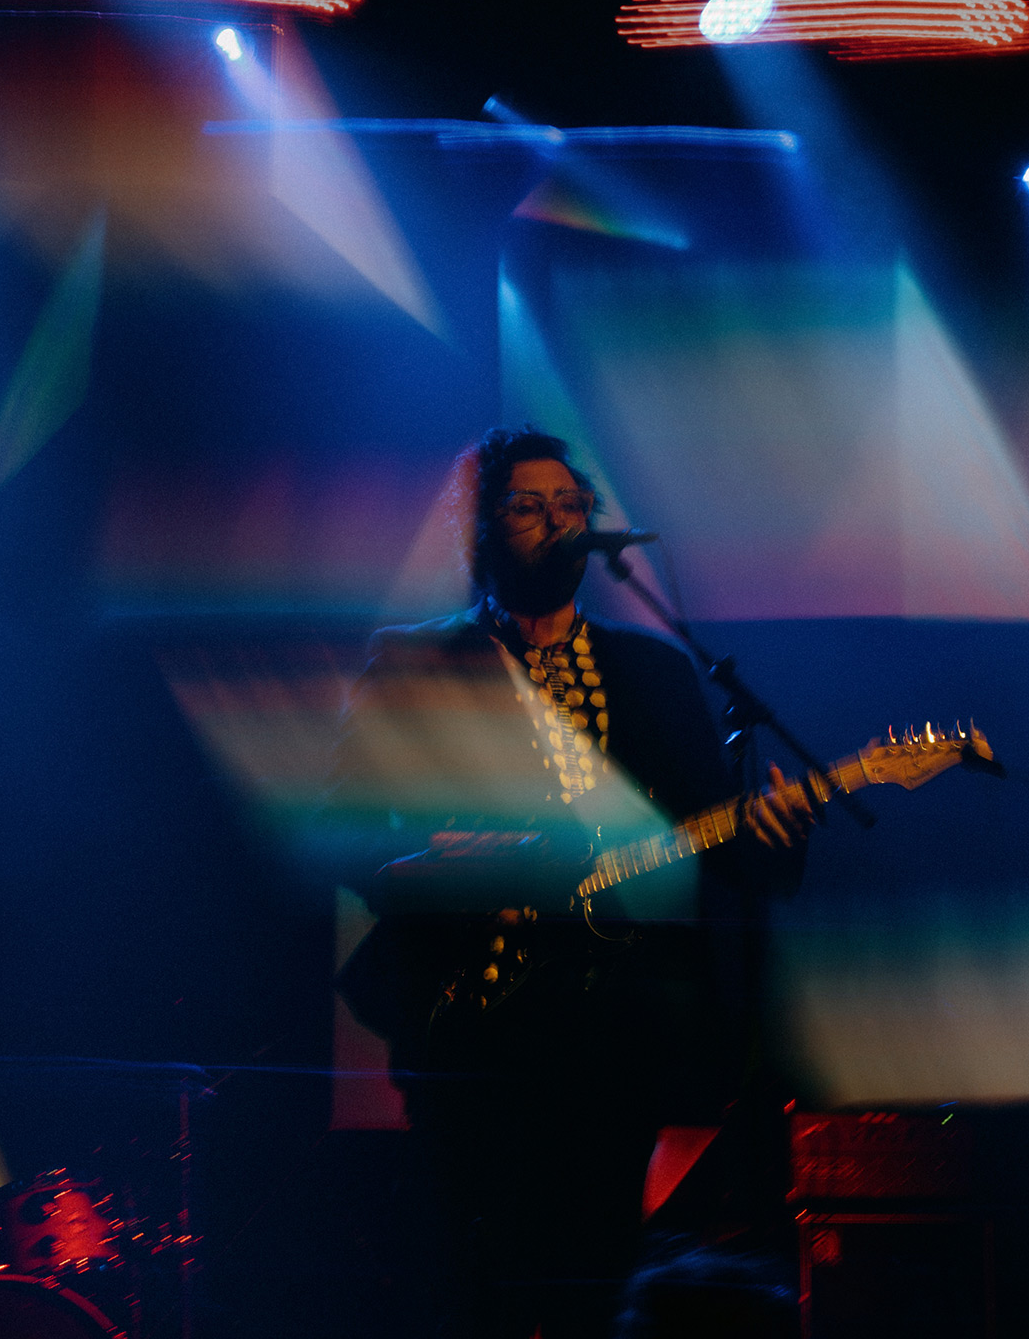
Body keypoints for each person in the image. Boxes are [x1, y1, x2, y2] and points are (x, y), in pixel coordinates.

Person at [330, 427, 815, 1339]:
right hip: (467, 1019)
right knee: (474, 1282)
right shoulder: (414, 664)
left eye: (572, 507)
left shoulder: (656, 673)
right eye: (527, 506)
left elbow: (718, 845)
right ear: (480, 533)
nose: (557, 522)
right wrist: (436, 870)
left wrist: (775, 839)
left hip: (612, 1030)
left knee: (595, 1279)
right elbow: (341, 833)